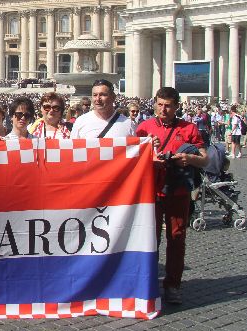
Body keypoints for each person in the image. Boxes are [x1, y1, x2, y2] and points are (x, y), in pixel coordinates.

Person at [136, 87, 208, 305]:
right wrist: (150, 154)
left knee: (176, 238)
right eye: (159, 104)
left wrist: (189, 159)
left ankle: (173, 284)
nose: (163, 109)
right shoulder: (144, 128)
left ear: (177, 106)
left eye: (168, 106)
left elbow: (205, 159)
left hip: (178, 190)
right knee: (150, 238)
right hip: (152, 190)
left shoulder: (189, 128)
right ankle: (149, 282)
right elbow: (133, 158)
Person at [70, 80, 136, 138]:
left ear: (113, 97)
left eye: (103, 95)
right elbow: (72, 147)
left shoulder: (128, 124)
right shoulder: (80, 122)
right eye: (95, 95)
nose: (98, 99)